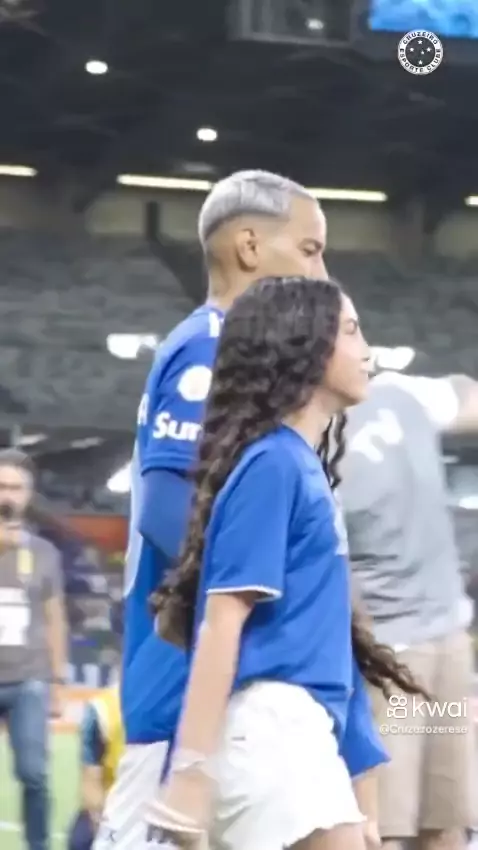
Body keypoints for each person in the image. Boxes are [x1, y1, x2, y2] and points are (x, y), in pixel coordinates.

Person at [144, 276, 426, 850]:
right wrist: (190, 773)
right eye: (351, 331)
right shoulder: (272, 465)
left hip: (299, 737)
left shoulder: (300, 467)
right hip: (273, 734)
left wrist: (362, 787)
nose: (367, 348)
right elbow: (222, 622)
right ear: (306, 346)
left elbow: (336, 646)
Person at [94, 169, 330, 850]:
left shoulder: (235, 350)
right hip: (182, 676)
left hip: (219, 677)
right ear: (249, 246)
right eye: (310, 250)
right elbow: (167, 508)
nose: (321, 273)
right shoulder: (209, 344)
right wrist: (255, 597)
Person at [339, 368, 478, 850]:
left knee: (447, 815)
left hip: (447, 645)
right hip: (395, 659)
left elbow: (467, 398)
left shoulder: (399, 392)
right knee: (387, 825)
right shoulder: (308, 435)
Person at [0, 448, 68, 850]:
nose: (7, 496)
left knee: (34, 773)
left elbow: (55, 619)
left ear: (28, 495)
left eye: (16, 488)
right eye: (1, 486)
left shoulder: (44, 553)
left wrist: (58, 681)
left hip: (28, 679)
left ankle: (38, 845)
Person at [68, 684, 124, 850]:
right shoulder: (102, 709)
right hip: (114, 807)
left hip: (162, 809)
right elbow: (91, 785)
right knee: (81, 840)